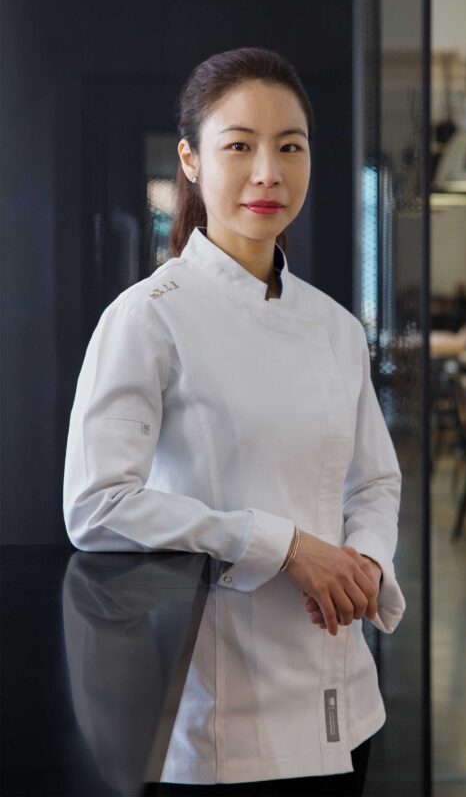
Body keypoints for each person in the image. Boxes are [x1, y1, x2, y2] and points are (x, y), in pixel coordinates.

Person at [63, 47, 406, 795]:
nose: (267, 172)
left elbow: (374, 482)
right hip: (225, 722)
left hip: (346, 704)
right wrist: (281, 547)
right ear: (190, 159)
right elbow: (97, 504)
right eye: (239, 146)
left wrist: (364, 565)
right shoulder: (147, 319)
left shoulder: (336, 327)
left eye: (290, 146)